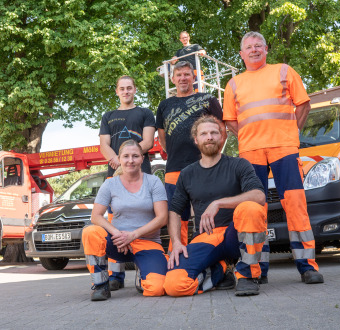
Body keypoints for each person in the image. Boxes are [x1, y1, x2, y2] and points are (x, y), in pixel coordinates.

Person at [223, 31, 324, 284]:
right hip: (251, 153)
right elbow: (231, 121)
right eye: (249, 47)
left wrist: (291, 134)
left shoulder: (283, 71)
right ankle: (257, 270)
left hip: (284, 149)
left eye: (259, 46)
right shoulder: (233, 84)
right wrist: (249, 136)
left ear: (266, 49)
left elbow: (303, 105)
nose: (254, 50)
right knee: (255, 209)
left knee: (296, 205)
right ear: (241, 54)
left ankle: (308, 266)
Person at [163, 115, 267, 297]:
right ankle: (220, 269)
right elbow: (175, 211)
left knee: (251, 208)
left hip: (235, 235)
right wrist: (177, 242)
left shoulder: (239, 165)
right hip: (207, 236)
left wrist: (218, 203)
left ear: (222, 137)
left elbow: (259, 196)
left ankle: (247, 276)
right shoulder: (187, 174)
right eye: (204, 134)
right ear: (196, 140)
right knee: (174, 285)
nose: (209, 137)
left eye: (213, 132)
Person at [82, 140, 168, 301]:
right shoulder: (110, 184)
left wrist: (133, 235)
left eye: (135, 156)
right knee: (91, 232)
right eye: (126, 156)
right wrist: (118, 234)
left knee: (157, 288)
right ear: (119, 159)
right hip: (118, 243)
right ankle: (101, 285)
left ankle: (143, 275)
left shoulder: (153, 182)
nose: (130, 160)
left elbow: (162, 218)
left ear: (142, 159)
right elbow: (96, 216)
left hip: (147, 242)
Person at [156, 61, 223, 245]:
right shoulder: (164, 105)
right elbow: (163, 138)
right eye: (179, 75)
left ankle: (213, 260)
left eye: (186, 74)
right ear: (173, 79)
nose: (183, 78)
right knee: (177, 216)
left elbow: (221, 130)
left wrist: (212, 156)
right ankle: (178, 259)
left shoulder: (208, 99)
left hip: (205, 167)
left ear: (194, 77)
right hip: (174, 169)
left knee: (208, 215)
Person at [99, 75, 156, 291]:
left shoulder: (145, 113)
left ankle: (144, 272)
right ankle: (116, 275)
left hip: (140, 172)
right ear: (116, 91)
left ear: (135, 90)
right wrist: (118, 162)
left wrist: (128, 160)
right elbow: (104, 144)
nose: (125, 91)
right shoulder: (108, 116)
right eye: (122, 88)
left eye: (129, 88)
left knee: (143, 218)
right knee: (115, 221)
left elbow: (148, 141)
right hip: (115, 173)